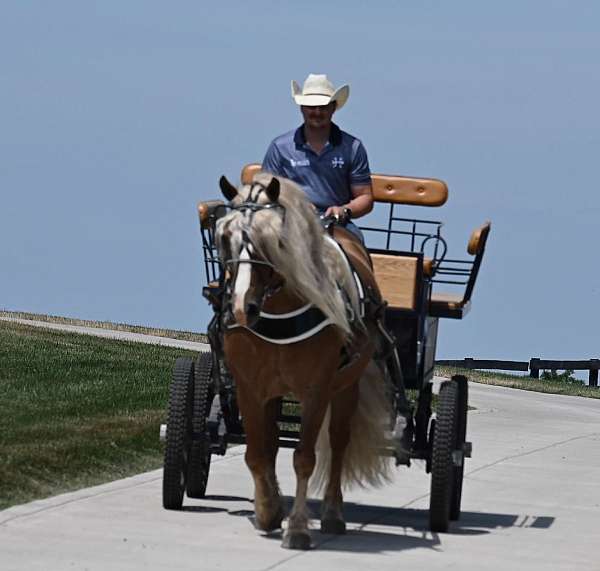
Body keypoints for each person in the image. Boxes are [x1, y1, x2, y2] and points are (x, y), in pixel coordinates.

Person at [262, 73, 373, 241]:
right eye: (311, 107)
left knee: (357, 251)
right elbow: (266, 194)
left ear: (334, 108)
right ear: (301, 108)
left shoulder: (352, 147)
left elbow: (365, 197)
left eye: (323, 106)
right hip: (290, 223)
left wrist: (344, 210)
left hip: (338, 225)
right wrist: (295, 206)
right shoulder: (280, 147)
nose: (317, 112)